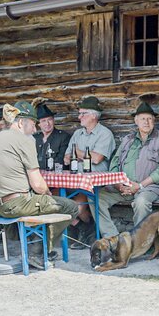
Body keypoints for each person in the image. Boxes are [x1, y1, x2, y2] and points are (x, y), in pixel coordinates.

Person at [0, 101, 78, 269]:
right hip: (14, 205)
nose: (35, 130)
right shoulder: (24, 140)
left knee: (39, 203)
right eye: (33, 124)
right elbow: (37, 184)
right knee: (70, 206)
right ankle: (37, 251)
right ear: (21, 122)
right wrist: (48, 193)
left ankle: (35, 245)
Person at [98, 102, 159, 238]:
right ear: (136, 121)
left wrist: (139, 186)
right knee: (97, 198)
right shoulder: (128, 140)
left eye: (149, 118)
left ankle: (139, 243)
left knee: (141, 202)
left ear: (154, 121)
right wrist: (118, 184)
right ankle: (112, 238)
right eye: (143, 118)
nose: (146, 122)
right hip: (124, 188)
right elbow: (114, 164)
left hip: (149, 188)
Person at [64, 95, 115, 247]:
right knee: (53, 199)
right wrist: (85, 155)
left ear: (93, 115)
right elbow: (66, 159)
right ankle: (85, 228)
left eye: (83, 113)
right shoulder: (77, 134)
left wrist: (76, 153)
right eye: (79, 113)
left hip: (94, 183)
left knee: (77, 207)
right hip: (75, 180)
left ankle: (88, 229)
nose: (79, 117)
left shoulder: (105, 134)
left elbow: (97, 158)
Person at [34, 99, 71, 170]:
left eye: (49, 119)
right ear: (39, 124)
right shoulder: (34, 138)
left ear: (53, 120)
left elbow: (61, 162)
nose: (47, 123)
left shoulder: (63, 137)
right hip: (36, 174)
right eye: (43, 121)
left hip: (56, 175)